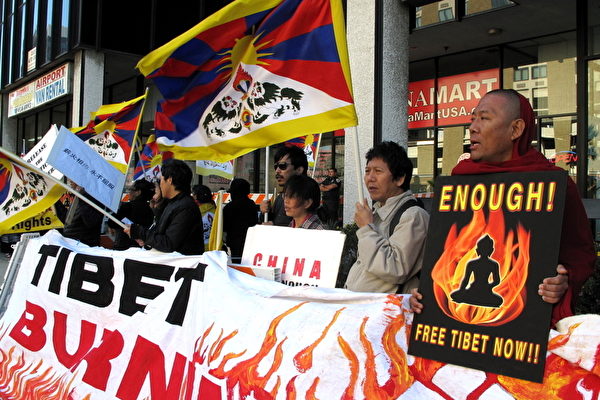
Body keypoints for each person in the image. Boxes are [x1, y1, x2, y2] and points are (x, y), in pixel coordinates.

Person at [410, 89, 596, 326]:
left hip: (522, 325)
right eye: (473, 119)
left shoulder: (551, 184)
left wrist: (562, 281)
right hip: (458, 325)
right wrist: (427, 292)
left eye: (484, 118)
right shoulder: (461, 180)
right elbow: (444, 261)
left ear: (515, 129)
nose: (473, 128)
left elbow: (580, 255)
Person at [344, 141, 429, 293]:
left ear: (399, 178)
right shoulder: (377, 213)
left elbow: (395, 269)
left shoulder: (413, 216)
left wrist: (366, 229)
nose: (370, 178)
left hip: (385, 306)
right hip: (360, 303)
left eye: (378, 171)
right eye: (367, 171)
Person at [126, 159, 204, 255]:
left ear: (170, 180)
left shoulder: (186, 207)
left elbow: (169, 244)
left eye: (161, 179)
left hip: (182, 263)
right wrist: (145, 239)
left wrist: (140, 232)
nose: (160, 184)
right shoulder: (173, 203)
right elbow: (160, 234)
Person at [260, 145, 308, 226]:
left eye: (282, 166)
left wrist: (274, 227)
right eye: (276, 167)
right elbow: (273, 220)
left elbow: (300, 226)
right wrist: (265, 212)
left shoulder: (305, 195)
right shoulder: (280, 197)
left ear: (299, 170)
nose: (277, 171)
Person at [108, 179, 155, 250]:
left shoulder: (128, 207)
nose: (129, 192)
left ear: (138, 192)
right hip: (142, 247)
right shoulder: (151, 209)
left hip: (124, 246)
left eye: (131, 189)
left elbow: (111, 222)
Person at [223, 178, 258, 262]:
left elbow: (224, 227)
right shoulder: (251, 204)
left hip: (234, 242)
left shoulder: (229, 207)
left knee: (237, 263)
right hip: (250, 241)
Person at [60, 183, 104, 247]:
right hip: (72, 243)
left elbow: (91, 222)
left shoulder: (92, 196)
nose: (70, 181)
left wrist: (82, 197)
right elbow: (68, 221)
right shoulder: (78, 196)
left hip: (84, 245)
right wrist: (56, 203)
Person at [192, 184, 216, 249]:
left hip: (199, 250)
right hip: (216, 250)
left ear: (196, 197)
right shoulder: (217, 211)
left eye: (193, 194)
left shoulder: (193, 213)